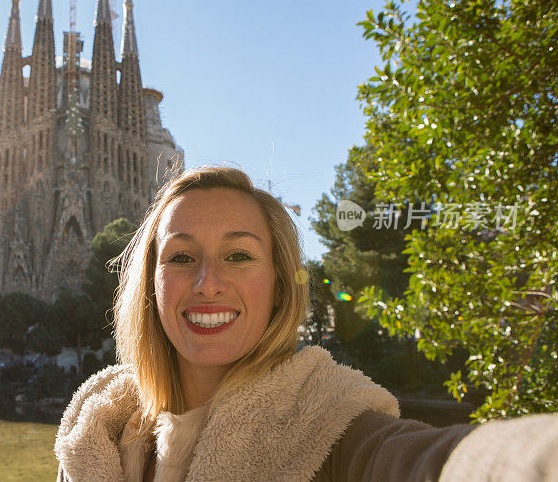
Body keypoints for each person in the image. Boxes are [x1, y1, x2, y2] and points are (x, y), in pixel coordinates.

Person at [55, 167, 558, 481]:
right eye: (182, 256)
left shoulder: (332, 431)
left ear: (279, 285)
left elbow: (436, 464)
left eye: (238, 254)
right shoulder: (97, 435)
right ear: (149, 285)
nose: (208, 283)